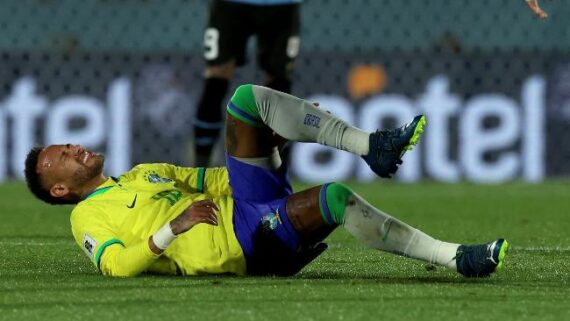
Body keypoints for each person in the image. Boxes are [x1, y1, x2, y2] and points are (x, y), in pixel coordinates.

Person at [24, 85, 509, 278]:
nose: (71, 148)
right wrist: (173, 228)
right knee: (335, 198)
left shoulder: (142, 173)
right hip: (245, 244)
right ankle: (455, 257)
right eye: (59, 158)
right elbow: (116, 266)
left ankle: (373, 147)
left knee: (245, 103)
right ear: (60, 191)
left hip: (246, 204)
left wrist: (272, 145)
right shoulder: (87, 217)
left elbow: (219, 178)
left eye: (66, 144)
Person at [194, 0, 301, 166]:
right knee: (216, 78)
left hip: (282, 5)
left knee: (279, 84)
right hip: (232, 5)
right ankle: (200, 167)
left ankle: (277, 171)